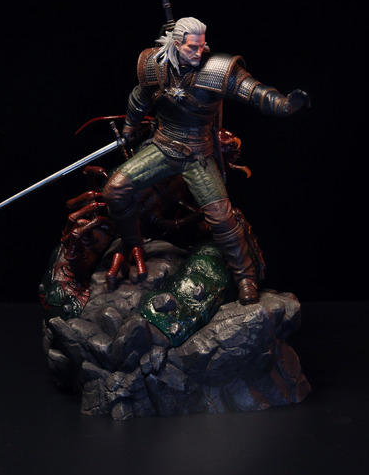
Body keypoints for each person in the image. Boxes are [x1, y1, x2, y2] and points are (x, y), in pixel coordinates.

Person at [103, 17, 310, 304]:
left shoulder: (216, 69)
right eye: (192, 47)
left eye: (202, 46)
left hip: (197, 155)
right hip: (161, 147)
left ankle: (245, 278)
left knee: (222, 218)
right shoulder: (155, 64)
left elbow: (254, 91)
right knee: (115, 190)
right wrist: (129, 127)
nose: (198, 52)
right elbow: (140, 96)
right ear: (176, 44)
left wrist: (284, 104)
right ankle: (132, 242)